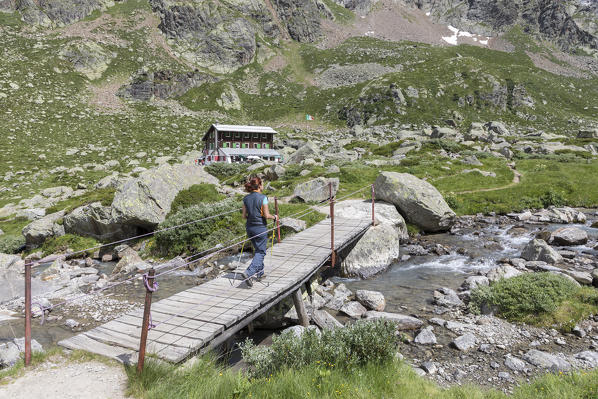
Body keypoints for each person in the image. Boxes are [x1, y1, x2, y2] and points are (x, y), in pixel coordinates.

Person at [241, 176, 277, 287]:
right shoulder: (263, 198)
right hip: (260, 227)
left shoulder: (245, 199)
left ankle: (260, 272)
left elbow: (243, 216)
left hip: (250, 228)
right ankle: (249, 272)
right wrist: (275, 217)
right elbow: (266, 215)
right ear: (260, 185)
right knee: (261, 252)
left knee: (257, 250)